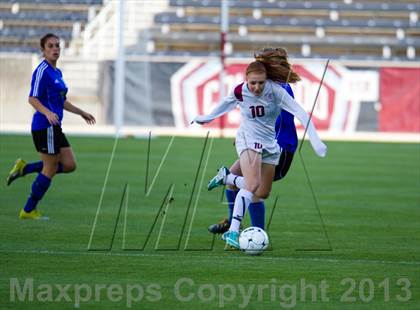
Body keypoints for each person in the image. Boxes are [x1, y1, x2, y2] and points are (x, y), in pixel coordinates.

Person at [192, 58, 327, 249]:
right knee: (252, 184)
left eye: (260, 83)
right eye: (252, 82)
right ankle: (233, 230)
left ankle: (227, 178)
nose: (256, 87)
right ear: (246, 79)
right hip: (248, 139)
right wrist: (206, 118)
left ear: (267, 78)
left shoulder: (277, 91)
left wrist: (315, 140)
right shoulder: (240, 90)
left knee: (262, 192)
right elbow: (224, 105)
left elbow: (301, 113)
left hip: (270, 144)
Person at [208, 48, 298, 234]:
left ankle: (257, 233)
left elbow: (268, 120)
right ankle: (237, 226)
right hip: (258, 143)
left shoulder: (278, 89)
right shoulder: (263, 85)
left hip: (279, 147)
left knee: (258, 191)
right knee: (240, 183)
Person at [5, 33, 96, 220]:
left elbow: (62, 101)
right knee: (50, 168)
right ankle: (28, 210)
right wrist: (47, 112)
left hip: (54, 127)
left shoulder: (57, 73)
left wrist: (82, 113)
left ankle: (25, 169)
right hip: (44, 126)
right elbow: (32, 98)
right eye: (50, 46)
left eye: (57, 46)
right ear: (43, 50)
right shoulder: (42, 71)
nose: (55, 49)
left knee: (69, 165)